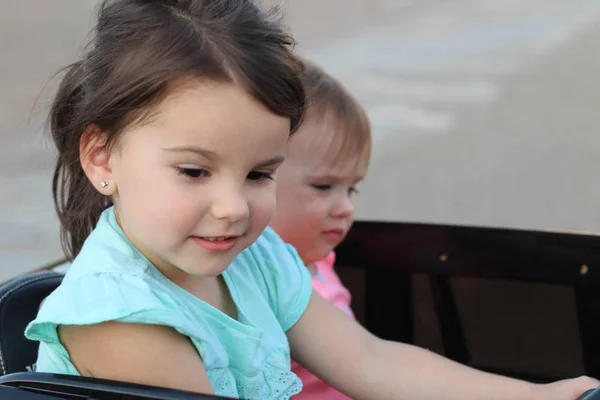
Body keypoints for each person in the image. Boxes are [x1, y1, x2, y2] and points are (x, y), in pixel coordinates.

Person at [25, 1, 599, 399]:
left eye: (259, 173)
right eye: (195, 171)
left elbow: (372, 363)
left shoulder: (255, 257)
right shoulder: (121, 316)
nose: (234, 207)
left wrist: (535, 394)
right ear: (102, 158)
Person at [269, 58, 370, 399]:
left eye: (351, 189)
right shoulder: (262, 282)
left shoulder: (318, 261)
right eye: (324, 187)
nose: (345, 208)